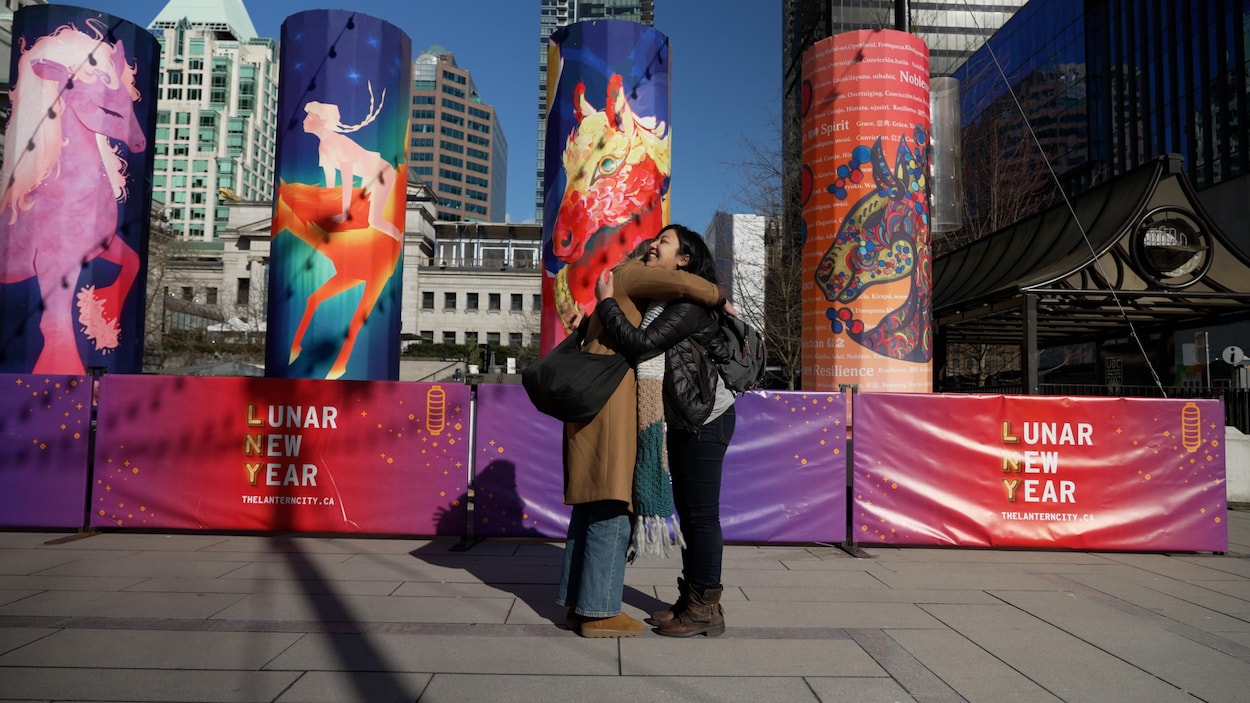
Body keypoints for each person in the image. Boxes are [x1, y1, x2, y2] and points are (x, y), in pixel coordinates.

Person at [557, 237, 725, 638]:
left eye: (662, 243)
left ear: (684, 258)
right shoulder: (631, 276)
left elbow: (649, 335)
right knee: (612, 502)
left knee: (595, 505)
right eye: (651, 243)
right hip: (614, 403)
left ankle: (583, 606)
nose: (653, 247)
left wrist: (602, 306)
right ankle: (598, 611)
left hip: (681, 414)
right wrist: (717, 294)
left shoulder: (632, 289)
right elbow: (683, 296)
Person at [302, 87, 402, 242]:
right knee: (360, 219)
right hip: (369, 176)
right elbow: (330, 182)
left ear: (321, 121)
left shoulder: (337, 142)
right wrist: (330, 208)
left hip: (382, 173)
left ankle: (399, 239)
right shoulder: (323, 146)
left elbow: (346, 179)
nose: (304, 120)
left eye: (309, 117)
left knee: (374, 221)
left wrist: (345, 211)